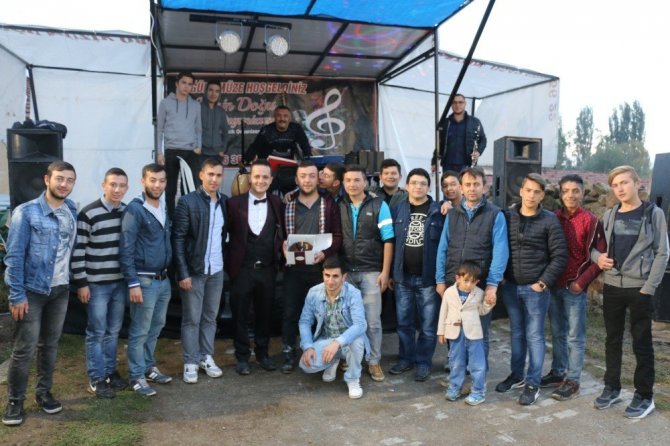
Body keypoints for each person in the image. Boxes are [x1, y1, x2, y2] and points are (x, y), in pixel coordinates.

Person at [2, 161, 77, 427]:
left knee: (50, 346)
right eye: (59, 178)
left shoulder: (71, 209)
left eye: (69, 180)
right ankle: (15, 401)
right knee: (24, 350)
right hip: (31, 292)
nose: (64, 184)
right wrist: (16, 295)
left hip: (60, 290)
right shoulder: (26, 212)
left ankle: (44, 393)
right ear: (47, 179)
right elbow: (13, 257)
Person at [593, 165, 669, 419]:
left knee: (642, 343)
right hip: (613, 287)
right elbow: (594, 248)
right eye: (615, 185)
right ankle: (612, 387)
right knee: (612, 340)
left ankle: (644, 396)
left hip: (640, 289)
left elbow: (663, 252)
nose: (620, 189)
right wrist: (598, 258)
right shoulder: (610, 214)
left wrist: (649, 287)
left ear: (637, 183)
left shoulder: (653, 213)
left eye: (624, 182)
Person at [496, 173, 567, 406]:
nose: (531, 195)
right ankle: (517, 375)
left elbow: (559, 255)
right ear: (521, 191)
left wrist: (543, 282)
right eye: (528, 190)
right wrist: (502, 277)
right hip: (511, 287)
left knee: (535, 336)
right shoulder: (507, 216)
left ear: (542, 195)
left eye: (537, 192)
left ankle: (533, 383)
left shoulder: (549, 220)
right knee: (517, 333)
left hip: (536, 289)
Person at [435, 166, 508, 375]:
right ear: (461, 187)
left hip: (479, 284)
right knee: (454, 328)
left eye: (476, 184)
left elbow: (500, 251)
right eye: (467, 184)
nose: (472, 188)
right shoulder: (452, 214)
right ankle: (457, 373)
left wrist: (492, 285)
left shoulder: (495, 215)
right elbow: (443, 247)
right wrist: (440, 279)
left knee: (478, 334)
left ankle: (478, 378)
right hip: (455, 282)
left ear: (484, 187)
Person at [539, 174, 606, 401]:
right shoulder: (552, 218)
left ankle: (574, 380)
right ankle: (558, 372)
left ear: (583, 193)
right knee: (557, 332)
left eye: (575, 191)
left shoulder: (591, 221)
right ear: (560, 193)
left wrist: (581, 283)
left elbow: (600, 258)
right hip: (553, 284)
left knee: (574, 336)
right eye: (566, 191)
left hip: (574, 287)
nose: (570, 195)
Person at [71, 167, 129, 399]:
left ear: (127, 188)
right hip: (96, 285)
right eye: (113, 184)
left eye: (122, 185)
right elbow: (78, 251)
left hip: (119, 283)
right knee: (97, 332)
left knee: (113, 331)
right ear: (104, 185)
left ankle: (110, 372)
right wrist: (82, 283)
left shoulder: (127, 212)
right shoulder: (88, 213)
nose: (117, 189)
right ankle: (96, 378)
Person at [281, 161, 342, 373]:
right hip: (294, 269)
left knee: (322, 314)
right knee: (290, 313)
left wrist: (325, 253)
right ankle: (288, 352)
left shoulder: (329, 204)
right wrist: (281, 247)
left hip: (320, 269)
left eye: (311, 176)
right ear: (296, 180)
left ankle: (320, 354)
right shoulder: (287, 204)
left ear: (318, 179)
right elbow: (280, 235)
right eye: (303, 176)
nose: (307, 180)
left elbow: (337, 236)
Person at [226, 160, 286, 375]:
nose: (261, 180)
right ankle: (242, 357)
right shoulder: (233, 204)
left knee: (265, 314)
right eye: (257, 176)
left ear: (271, 180)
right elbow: (225, 235)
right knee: (240, 315)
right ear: (250, 178)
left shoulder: (277, 203)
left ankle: (263, 354)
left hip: (267, 269)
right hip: (242, 269)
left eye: (265, 177)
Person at [172, 158, 228, 384]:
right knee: (191, 319)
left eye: (218, 175)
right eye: (210, 174)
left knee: (210, 318)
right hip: (194, 271)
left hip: (216, 270)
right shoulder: (187, 202)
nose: (214, 179)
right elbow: (177, 239)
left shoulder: (224, 202)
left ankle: (206, 356)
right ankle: (190, 361)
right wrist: (183, 272)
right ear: (201, 175)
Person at [119, 163, 173, 396]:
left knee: (156, 326)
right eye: (152, 180)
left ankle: (148, 367)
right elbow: (126, 248)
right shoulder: (135, 210)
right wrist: (133, 283)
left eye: (161, 180)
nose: (157, 185)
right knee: (140, 330)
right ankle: (136, 376)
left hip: (163, 280)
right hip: (144, 281)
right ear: (143, 181)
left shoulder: (163, 205)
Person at [339, 165, 394, 382]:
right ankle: (349, 357)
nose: (352, 184)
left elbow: (388, 240)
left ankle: (373, 361)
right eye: (348, 180)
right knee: (347, 319)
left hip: (372, 271)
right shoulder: (339, 205)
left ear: (365, 182)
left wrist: (385, 272)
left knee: (372, 321)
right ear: (343, 183)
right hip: (346, 272)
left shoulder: (379, 205)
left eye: (357, 180)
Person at [389, 168, 444, 381]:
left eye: (422, 183)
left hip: (427, 278)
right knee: (404, 323)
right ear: (407, 186)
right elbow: (390, 242)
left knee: (428, 326)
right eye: (414, 183)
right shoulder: (397, 210)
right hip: (402, 277)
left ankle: (423, 363)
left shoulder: (438, 211)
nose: (418, 187)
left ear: (428, 187)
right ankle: (406, 359)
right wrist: (392, 273)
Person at [298, 256, 369, 399]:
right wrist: (308, 346)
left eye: (335, 276)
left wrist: (337, 343)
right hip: (327, 340)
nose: (330, 281)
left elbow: (360, 325)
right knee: (306, 364)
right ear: (323, 274)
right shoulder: (313, 292)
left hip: (347, 341)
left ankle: (353, 379)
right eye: (327, 275)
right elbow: (305, 321)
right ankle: (332, 361)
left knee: (357, 341)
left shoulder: (353, 293)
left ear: (344, 277)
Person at [438, 262, 495, 405]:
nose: (469, 285)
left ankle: (478, 391)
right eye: (466, 281)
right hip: (455, 333)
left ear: (477, 282)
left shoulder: (479, 293)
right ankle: (455, 387)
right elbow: (443, 312)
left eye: (473, 282)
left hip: (474, 333)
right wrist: (441, 332)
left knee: (477, 363)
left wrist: (489, 303)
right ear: (458, 278)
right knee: (456, 362)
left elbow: (482, 311)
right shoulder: (449, 292)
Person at [156, 72, 202, 217]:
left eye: (190, 84)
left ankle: (186, 218)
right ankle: (170, 219)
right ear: (177, 84)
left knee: (189, 188)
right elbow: (159, 129)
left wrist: (199, 146)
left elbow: (198, 128)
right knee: (170, 189)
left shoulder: (195, 105)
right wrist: (159, 152)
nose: (186, 86)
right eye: (183, 82)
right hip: (171, 150)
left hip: (190, 151)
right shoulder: (165, 103)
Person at [435, 94, 486, 173]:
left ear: (465, 104)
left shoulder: (474, 122)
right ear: (451, 105)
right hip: (448, 164)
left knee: (465, 181)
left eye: (460, 102)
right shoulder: (445, 122)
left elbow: (483, 139)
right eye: (454, 102)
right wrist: (434, 161)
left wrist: (478, 152)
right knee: (448, 181)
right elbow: (439, 143)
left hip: (467, 164)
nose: (457, 105)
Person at [244, 105, 312, 162]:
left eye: (285, 116)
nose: (282, 119)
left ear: (290, 118)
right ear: (275, 117)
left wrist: (309, 161)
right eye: (279, 115)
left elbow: (305, 145)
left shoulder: (296, 128)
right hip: (268, 167)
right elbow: (254, 147)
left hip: (288, 165)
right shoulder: (266, 130)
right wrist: (246, 160)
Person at [201, 80, 230, 160]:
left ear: (219, 94)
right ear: (206, 91)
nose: (213, 94)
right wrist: (196, 147)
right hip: (201, 154)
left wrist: (223, 149)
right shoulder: (197, 108)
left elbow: (225, 132)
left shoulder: (221, 111)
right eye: (211, 90)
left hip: (217, 154)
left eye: (217, 91)